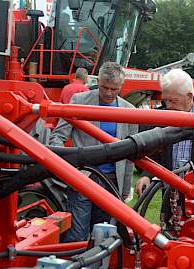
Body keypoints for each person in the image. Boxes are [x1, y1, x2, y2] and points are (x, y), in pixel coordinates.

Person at [49, 61, 138, 242]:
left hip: (112, 181)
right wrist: (65, 168)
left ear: (121, 86)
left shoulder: (130, 111)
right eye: (105, 87)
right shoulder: (79, 101)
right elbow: (57, 136)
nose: (108, 93)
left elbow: (131, 155)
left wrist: (125, 187)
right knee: (77, 234)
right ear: (98, 81)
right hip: (83, 178)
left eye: (114, 89)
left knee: (104, 234)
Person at [135, 69, 194, 195]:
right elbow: (155, 153)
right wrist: (147, 175)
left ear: (189, 96)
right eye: (165, 100)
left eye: (173, 101)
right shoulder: (160, 117)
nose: (168, 106)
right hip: (171, 195)